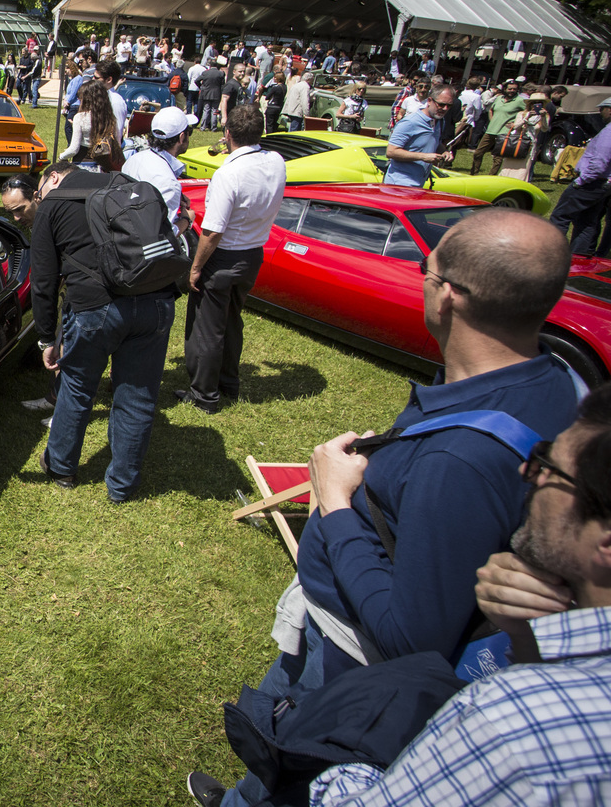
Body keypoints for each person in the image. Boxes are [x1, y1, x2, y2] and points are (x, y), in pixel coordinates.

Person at [189, 207, 581, 807]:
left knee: (298, 755)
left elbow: (410, 634)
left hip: (351, 654)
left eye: (425, 273)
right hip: (367, 631)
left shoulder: (461, 460)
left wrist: (336, 500)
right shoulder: (554, 380)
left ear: (447, 296)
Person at [293, 385, 611, 805]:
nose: (524, 473)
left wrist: (336, 743)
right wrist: (526, 640)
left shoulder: (509, 721)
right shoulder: (556, 383)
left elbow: (368, 796)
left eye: (548, 466)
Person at [30, 160, 178, 499]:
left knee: (78, 387)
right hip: (155, 300)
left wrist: (46, 339)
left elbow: (43, 282)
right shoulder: (127, 183)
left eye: (38, 191)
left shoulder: (52, 205)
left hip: (94, 307)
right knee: (138, 396)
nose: (39, 198)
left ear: (53, 177)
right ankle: (123, 486)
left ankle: (61, 467)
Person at [177, 105, 285, 414]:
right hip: (253, 253)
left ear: (227, 134)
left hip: (224, 256)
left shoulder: (229, 173)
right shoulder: (275, 161)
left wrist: (195, 268)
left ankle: (204, 394)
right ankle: (228, 383)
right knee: (232, 322)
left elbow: (212, 231)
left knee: (207, 329)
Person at [548, 97, 611, 256]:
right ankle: (579, 258)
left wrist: (582, 180)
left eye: (602, 108)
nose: (600, 112)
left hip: (592, 182)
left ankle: (551, 253)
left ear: (610, 110)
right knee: (587, 221)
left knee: (561, 216)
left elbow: (600, 161)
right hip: (603, 184)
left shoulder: (609, 132)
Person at [121, 107, 195, 236]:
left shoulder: (134, 159)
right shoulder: (169, 183)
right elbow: (163, 235)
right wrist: (186, 220)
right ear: (182, 137)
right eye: (189, 132)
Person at [384, 85, 456, 186]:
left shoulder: (439, 121)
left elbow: (434, 142)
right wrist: (423, 157)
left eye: (449, 105)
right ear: (430, 100)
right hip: (399, 184)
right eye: (441, 104)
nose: (445, 109)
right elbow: (391, 152)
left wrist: (444, 152)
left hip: (419, 183)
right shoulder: (410, 122)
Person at [60, 77, 117, 168]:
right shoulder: (110, 118)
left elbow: (74, 149)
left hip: (83, 163)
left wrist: (61, 156)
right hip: (103, 165)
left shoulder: (80, 118)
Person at [474, 78, 525, 175]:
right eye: (510, 89)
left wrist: (516, 123)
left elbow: (526, 113)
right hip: (491, 130)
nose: (512, 91)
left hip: (504, 132)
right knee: (478, 153)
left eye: (514, 89)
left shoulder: (520, 101)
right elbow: (491, 110)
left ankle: (491, 176)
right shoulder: (498, 98)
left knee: (497, 158)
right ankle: (474, 173)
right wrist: (492, 120)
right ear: (505, 89)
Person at [197, 56, 227, 132]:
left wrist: (201, 87)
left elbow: (196, 80)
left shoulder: (205, 73)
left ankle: (203, 126)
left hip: (206, 93)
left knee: (206, 110)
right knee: (214, 111)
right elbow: (223, 85)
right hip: (216, 94)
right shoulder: (221, 73)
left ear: (210, 65)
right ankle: (214, 127)